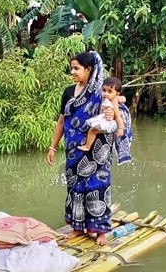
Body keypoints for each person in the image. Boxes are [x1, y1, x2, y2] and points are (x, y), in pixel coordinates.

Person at [46, 51, 114, 246]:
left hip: (97, 151)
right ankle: (77, 226)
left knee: (97, 186)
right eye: (72, 68)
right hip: (74, 149)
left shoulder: (101, 93)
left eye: (77, 68)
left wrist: (110, 113)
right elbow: (61, 122)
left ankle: (100, 230)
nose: (73, 72)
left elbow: (116, 108)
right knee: (74, 186)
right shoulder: (68, 92)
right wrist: (53, 147)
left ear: (89, 70)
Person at [77, 77, 125, 152]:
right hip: (106, 120)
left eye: (109, 92)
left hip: (110, 124)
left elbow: (118, 117)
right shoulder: (112, 98)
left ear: (117, 93)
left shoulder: (114, 103)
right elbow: (122, 99)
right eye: (104, 90)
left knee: (92, 131)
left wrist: (120, 129)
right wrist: (122, 98)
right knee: (92, 126)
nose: (106, 94)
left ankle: (87, 146)